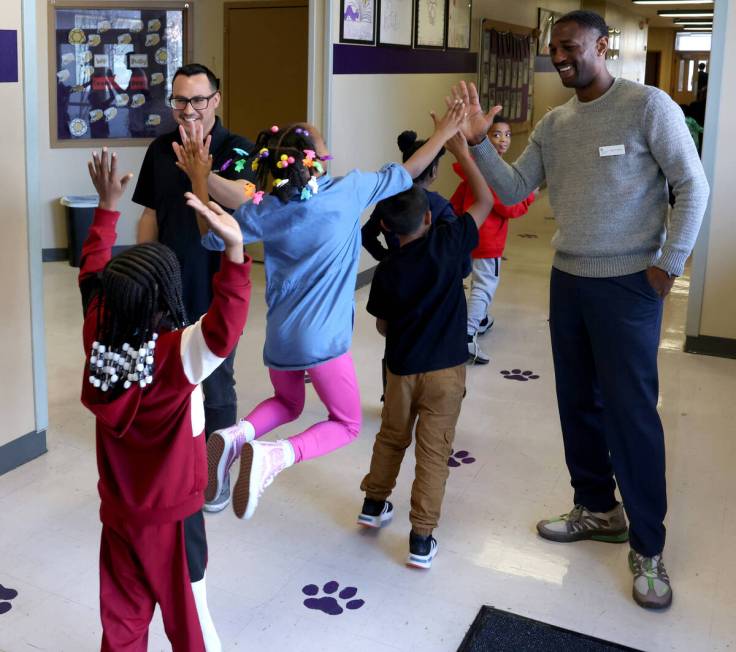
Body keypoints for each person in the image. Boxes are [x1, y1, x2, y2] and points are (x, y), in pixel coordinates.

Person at [450, 10, 709, 609]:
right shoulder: (556, 123)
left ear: (603, 45)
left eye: (569, 47)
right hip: (568, 280)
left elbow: (692, 184)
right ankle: (597, 507)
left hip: (630, 286)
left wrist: (669, 264)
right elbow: (514, 191)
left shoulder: (649, 107)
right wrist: (476, 143)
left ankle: (647, 544)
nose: (560, 57)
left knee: (632, 415)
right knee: (579, 403)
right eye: (554, 49)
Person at [175, 101, 466, 523]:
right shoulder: (348, 192)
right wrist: (443, 134)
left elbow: (212, 235)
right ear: (319, 162)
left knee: (287, 402)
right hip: (323, 342)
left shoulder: (267, 209)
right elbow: (409, 171)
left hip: (280, 339)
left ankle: (236, 436)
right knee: (347, 422)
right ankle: (274, 456)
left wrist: (199, 179)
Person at [79, 148, 253, 650]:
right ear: (166, 303)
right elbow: (226, 325)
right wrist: (236, 252)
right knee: (191, 625)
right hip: (174, 521)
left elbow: (92, 275)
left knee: (123, 622)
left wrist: (108, 209)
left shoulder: (99, 338)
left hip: (119, 515)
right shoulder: (177, 357)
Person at [357, 131, 492, 569]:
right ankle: (421, 538)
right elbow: (485, 202)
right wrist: (462, 153)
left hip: (400, 370)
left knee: (392, 437)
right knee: (434, 452)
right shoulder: (450, 247)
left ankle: (373, 506)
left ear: (387, 230)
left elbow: (382, 325)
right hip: (446, 372)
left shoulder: (388, 270)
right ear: (429, 219)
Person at [132, 63, 255, 512]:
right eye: (180, 101)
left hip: (218, 284)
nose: (187, 111)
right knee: (167, 379)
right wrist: (142, 271)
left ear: (216, 100)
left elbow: (243, 197)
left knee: (217, 383)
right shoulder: (159, 149)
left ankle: (216, 476)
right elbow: (149, 213)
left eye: (197, 100)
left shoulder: (237, 148)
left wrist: (201, 172)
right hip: (165, 284)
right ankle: (174, 466)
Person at [362, 129, 466, 399]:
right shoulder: (438, 206)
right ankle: (434, 392)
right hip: (434, 285)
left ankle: (392, 394)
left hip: (397, 283)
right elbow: (457, 253)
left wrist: (386, 258)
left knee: (396, 337)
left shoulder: (390, 202)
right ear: (432, 171)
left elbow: (366, 234)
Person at [449, 115, 537, 364]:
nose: (503, 140)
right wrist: (529, 196)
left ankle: (482, 319)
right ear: (483, 139)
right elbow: (510, 206)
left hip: (468, 235)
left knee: (474, 282)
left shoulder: (472, 168)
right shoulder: (493, 173)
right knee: (484, 286)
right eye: (496, 134)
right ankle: (466, 336)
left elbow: (457, 201)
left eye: (507, 134)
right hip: (487, 242)